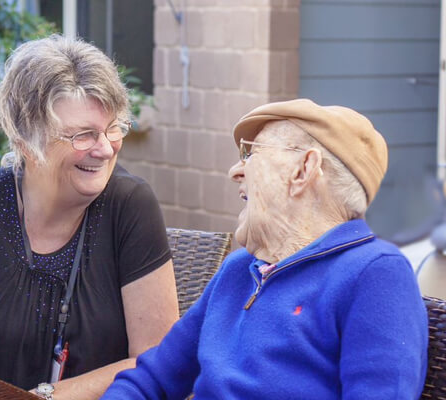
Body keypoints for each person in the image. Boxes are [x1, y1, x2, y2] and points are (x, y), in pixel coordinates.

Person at [102, 98, 428, 399]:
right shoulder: (239, 270)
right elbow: (151, 379)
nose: (235, 171)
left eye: (251, 153)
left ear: (303, 170)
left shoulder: (374, 273)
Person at [0, 35, 179, 399]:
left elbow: (158, 361)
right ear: (26, 141)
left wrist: (45, 397)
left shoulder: (129, 206)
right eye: (84, 135)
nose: (104, 149)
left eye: (112, 128)